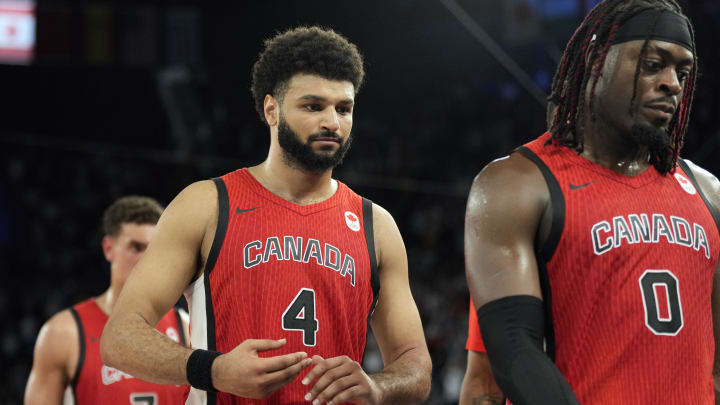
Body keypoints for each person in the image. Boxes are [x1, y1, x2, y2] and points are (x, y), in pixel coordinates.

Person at [100, 26, 432, 404]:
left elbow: (416, 364)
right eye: (313, 106)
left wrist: (378, 386)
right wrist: (214, 369)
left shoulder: (377, 226)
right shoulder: (207, 204)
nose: (332, 122)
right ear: (271, 109)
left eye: (344, 108)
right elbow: (120, 336)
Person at [464, 0, 720, 403]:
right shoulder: (518, 184)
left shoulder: (708, 192)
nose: (672, 83)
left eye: (682, 72)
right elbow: (512, 350)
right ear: (598, 60)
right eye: (654, 65)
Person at [24, 196, 190, 405]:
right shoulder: (63, 333)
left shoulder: (186, 326)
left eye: (153, 249)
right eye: (136, 248)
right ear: (108, 248)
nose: (145, 260)